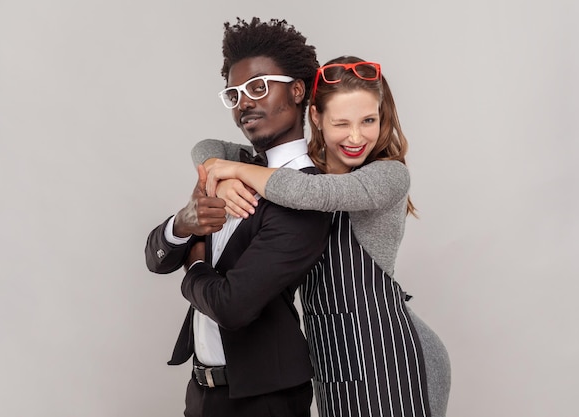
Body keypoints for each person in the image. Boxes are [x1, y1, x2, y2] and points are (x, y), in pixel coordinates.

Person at [192, 56, 451, 417]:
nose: (356, 136)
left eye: (369, 121)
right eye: (341, 123)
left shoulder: (388, 177)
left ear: (382, 117)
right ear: (316, 117)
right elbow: (207, 146)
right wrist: (217, 172)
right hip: (331, 362)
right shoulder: (293, 171)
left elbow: (308, 194)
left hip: (390, 358)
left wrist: (233, 169)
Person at [144, 17, 332, 417]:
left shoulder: (306, 194)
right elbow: (156, 258)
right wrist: (184, 223)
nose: (244, 102)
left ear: (298, 91)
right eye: (234, 94)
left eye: (258, 87)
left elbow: (232, 307)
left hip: (263, 400)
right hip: (202, 392)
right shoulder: (230, 168)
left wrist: (194, 264)